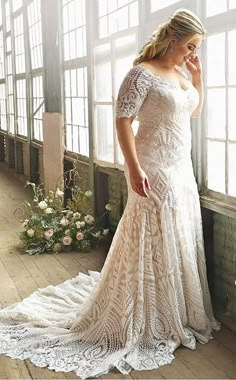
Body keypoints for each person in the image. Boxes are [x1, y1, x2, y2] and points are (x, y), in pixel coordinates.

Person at [0, 8, 220, 380]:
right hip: (153, 168)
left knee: (177, 238)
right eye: (189, 46)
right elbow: (122, 119)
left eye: (196, 48)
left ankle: (174, 313)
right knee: (152, 239)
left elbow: (194, 113)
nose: (191, 53)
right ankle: (145, 314)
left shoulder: (183, 74)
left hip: (181, 169)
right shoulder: (141, 73)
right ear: (172, 39)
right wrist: (133, 168)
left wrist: (198, 78)